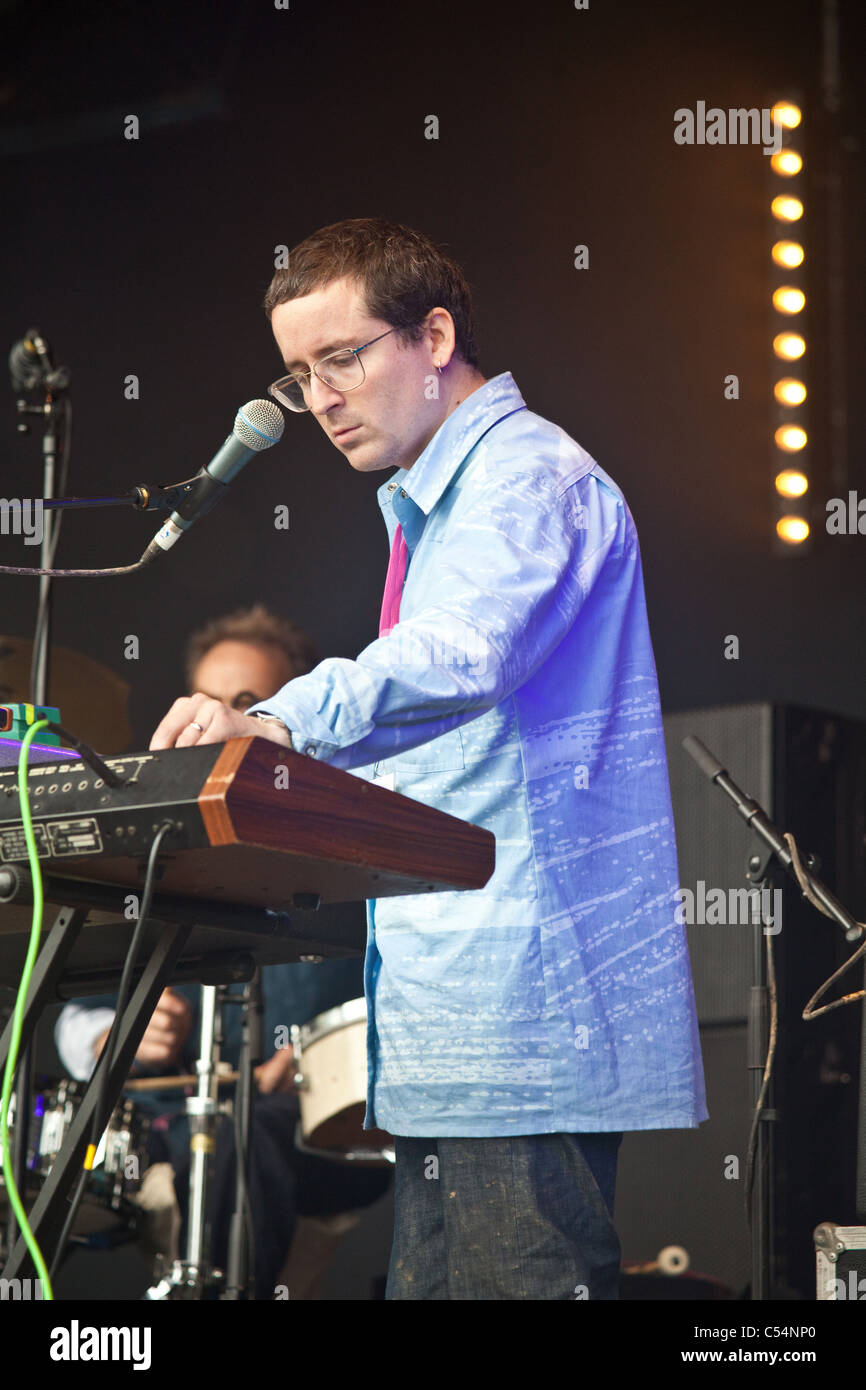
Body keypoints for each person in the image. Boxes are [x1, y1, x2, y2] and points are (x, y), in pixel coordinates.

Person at [150, 217, 708, 1301]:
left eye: (343, 358)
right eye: (300, 373)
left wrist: (272, 720)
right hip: (453, 1043)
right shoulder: (432, 506)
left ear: (434, 334)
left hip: (521, 1031)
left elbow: (462, 653)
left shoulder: (525, 476)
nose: (319, 398)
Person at [56, 605, 392, 1299]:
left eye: (252, 706)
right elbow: (73, 1011)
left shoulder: (352, 854)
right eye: (208, 704)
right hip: (166, 1126)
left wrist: (313, 1054)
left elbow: (409, 994)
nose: (221, 723)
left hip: (316, 1135)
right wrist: (111, 1035)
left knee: (240, 1140)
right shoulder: (153, 851)